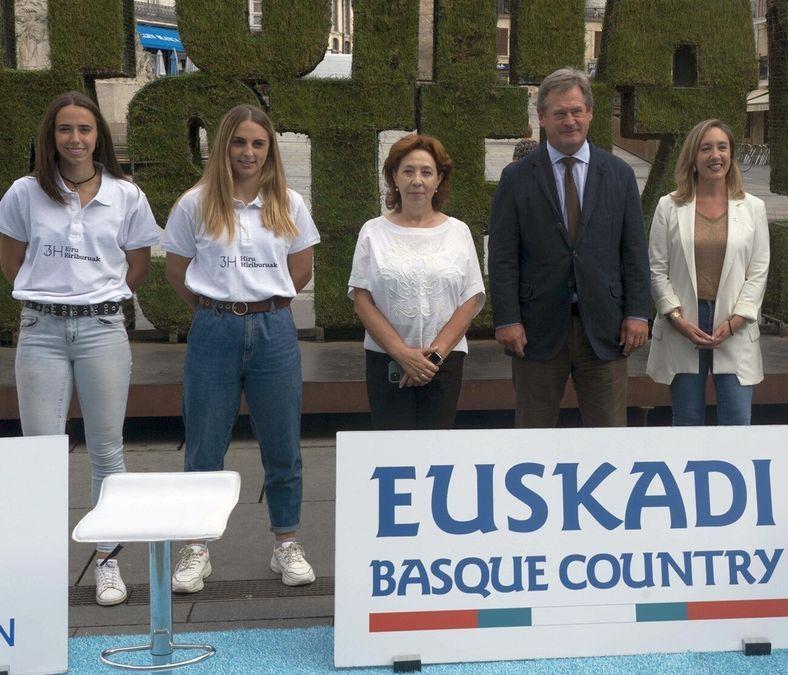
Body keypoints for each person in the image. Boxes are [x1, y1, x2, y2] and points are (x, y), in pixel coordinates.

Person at [0, 91, 159, 606]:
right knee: (41, 452)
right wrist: (53, 299)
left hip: (102, 331)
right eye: (65, 130)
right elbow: (12, 262)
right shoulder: (24, 193)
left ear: (98, 137)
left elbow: (138, 263)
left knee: (107, 451)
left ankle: (107, 562)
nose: (75, 139)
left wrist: (100, 298)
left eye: (84, 130)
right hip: (42, 331)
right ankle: (41, 566)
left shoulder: (126, 194)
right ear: (51, 137)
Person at [162, 105, 320, 592]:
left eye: (257, 143)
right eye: (238, 143)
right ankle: (196, 548)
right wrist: (218, 308)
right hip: (214, 331)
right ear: (222, 146)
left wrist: (263, 305)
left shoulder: (288, 203)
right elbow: (176, 270)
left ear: (269, 149)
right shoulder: (195, 204)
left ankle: (286, 542)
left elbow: (301, 270)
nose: (248, 152)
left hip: (273, 330)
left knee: (282, 444)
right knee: (205, 443)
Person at [488, 68, 651, 428]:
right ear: (542, 118)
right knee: (533, 435)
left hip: (606, 330)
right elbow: (502, 256)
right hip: (535, 331)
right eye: (559, 113)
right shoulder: (516, 178)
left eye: (577, 111)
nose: (569, 120)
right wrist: (507, 318)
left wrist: (639, 312)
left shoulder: (620, 174)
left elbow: (634, 251)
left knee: (609, 437)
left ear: (591, 113)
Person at [348, 134, 484, 429]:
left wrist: (432, 357)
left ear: (439, 179)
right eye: (408, 171)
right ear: (394, 177)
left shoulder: (458, 232)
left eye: (426, 172)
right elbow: (362, 300)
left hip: (444, 364)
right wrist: (402, 355)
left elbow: (470, 300)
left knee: (437, 455)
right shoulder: (373, 231)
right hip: (387, 363)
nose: (417, 180)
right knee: (392, 456)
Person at [646, 119, 770, 425]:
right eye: (706, 148)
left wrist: (737, 320)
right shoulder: (669, 206)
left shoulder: (753, 208)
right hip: (684, 324)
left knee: (737, 423)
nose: (716, 155)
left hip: (734, 325)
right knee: (687, 422)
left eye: (722, 147)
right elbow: (657, 270)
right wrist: (676, 319)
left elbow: (759, 270)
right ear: (693, 158)